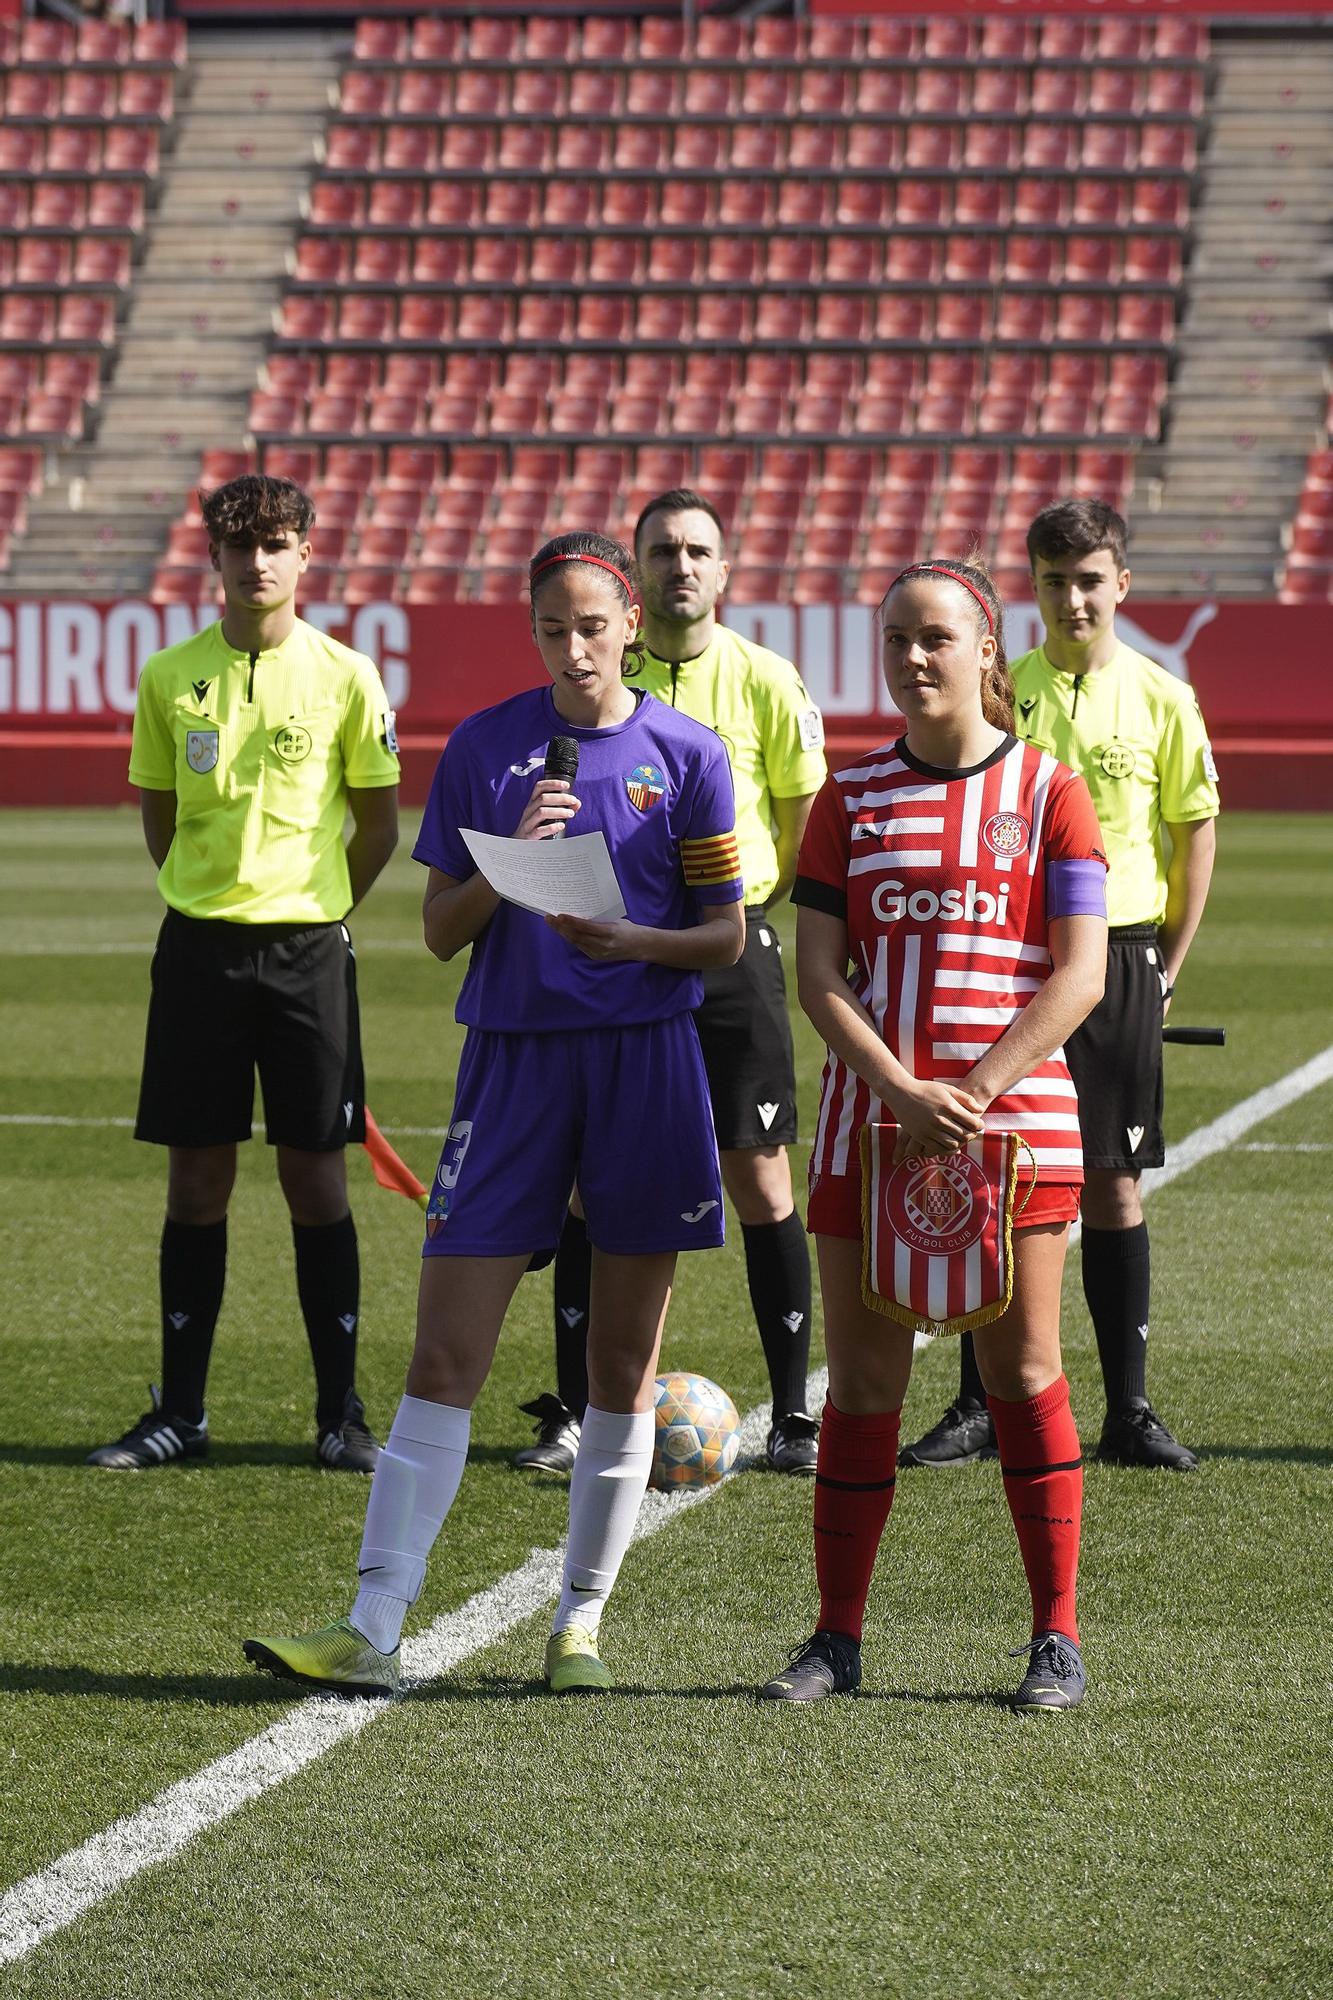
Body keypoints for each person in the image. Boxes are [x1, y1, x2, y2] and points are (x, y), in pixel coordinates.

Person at [243, 530, 746, 1696]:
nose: (574, 649)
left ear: (630, 623)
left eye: (592, 625)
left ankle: (578, 1625)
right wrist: (507, 861)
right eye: (551, 628)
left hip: (644, 1060)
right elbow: (436, 928)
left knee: (621, 1365)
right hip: (512, 1064)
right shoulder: (484, 745)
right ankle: (373, 1624)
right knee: (444, 1349)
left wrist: (636, 941)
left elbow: (724, 933)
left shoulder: (688, 752)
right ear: (533, 631)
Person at [759, 557, 1108, 1710]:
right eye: (897, 638)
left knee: (1021, 1370)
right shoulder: (846, 800)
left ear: (985, 650)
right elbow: (817, 977)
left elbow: (1081, 971)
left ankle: (1053, 1636)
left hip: (1016, 1135)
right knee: (863, 1383)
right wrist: (903, 1092)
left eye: (936, 638)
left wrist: (977, 1089)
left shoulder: (1050, 789)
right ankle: (835, 1638)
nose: (914, 657)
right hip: (871, 1127)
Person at [87, 474, 400, 1474]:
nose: (255, 561)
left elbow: (381, 823)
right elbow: (159, 817)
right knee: (197, 1183)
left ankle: (338, 1413)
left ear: (306, 553)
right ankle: (181, 1410)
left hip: (309, 950)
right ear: (213, 558)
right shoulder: (168, 676)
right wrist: (214, 893)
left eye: (274, 543)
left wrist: (315, 909)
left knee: (316, 1180)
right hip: (198, 951)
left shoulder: (349, 675)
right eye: (237, 545)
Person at [514, 488, 827, 1479]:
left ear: (725, 571)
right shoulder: (600, 673)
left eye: (698, 550)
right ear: (638, 578)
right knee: (582, 1186)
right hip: (616, 951)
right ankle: (571, 1413)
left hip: (731, 951)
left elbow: (807, 826)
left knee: (760, 1177)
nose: (680, 564)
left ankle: (792, 1415)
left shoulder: (768, 681)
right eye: (662, 550)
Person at [902, 500, 1219, 1473]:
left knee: (1114, 1186)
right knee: (982, 1171)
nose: (1072, 597)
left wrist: (1165, 965)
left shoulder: (1164, 698)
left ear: (1120, 583)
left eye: (1089, 578)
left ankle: (1127, 1408)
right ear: (1031, 588)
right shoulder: (1003, 692)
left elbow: (1192, 826)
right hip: (1011, 957)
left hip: (1118, 956)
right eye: (1052, 580)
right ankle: (974, 1405)